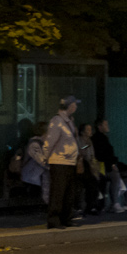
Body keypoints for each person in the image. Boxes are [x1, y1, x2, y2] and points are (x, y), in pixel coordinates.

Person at [44, 97, 82, 229]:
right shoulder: (57, 121)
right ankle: (54, 220)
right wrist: (45, 157)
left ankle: (66, 218)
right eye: (74, 104)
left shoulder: (70, 121)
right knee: (58, 192)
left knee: (69, 192)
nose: (76, 107)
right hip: (59, 161)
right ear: (69, 106)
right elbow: (50, 141)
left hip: (70, 162)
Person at [92, 119, 127, 212]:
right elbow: (100, 155)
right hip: (103, 167)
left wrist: (114, 163)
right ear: (99, 126)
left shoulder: (105, 138)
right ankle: (114, 204)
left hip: (111, 163)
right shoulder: (96, 139)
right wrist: (112, 164)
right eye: (105, 124)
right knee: (115, 175)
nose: (107, 126)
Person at [20, 122, 49, 204]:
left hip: (37, 176)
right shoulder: (34, 144)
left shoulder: (44, 143)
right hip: (32, 177)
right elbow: (42, 161)